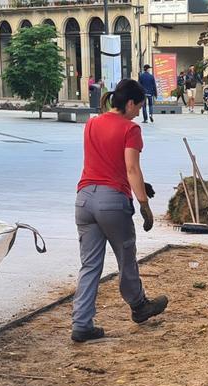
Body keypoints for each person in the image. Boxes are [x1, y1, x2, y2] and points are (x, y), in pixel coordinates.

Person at [72, 79, 168, 343]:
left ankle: (81, 324)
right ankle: (139, 306)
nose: (139, 111)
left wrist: (138, 185)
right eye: (139, 106)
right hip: (112, 202)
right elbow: (131, 168)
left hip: (84, 199)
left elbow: (105, 159)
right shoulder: (131, 129)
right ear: (129, 103)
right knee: (126, 256)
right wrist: (144, 205)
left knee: (89, 265)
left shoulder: (92, 123)